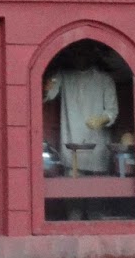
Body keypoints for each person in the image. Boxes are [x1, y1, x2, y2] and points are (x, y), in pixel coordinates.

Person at [42, 46, 119, 175]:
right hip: (71, 148)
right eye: (76, 53)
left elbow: (112, 110)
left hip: (97, 151)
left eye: (83, 53)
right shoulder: (63, 75)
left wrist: (102, 119)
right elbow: (48, 94)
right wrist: (46, 86)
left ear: (93, 55)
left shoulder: (105, 79)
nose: (79, 57)